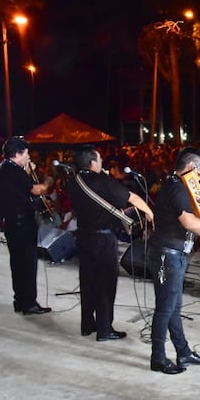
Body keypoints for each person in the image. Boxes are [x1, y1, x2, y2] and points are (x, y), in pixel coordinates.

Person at [147, 147, 200, 375]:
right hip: (168, 254)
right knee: (165, 308)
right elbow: (189, 222)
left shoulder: (179, 187)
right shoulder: (176, 187)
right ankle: (158, 358)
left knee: (173, 307)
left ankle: (183, 351)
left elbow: (195, 217)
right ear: (192, 167)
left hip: (176, 254)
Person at [68, 145, 154, 341]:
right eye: (99, 160)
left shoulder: (74, 181)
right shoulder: (102, 181)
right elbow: (130, 197)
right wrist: (150, 212)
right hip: (102, 239)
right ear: (92, 162)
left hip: (84, 236)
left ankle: (87, 324)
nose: (101, 163)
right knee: (106, 284)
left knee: (88, 281)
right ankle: (105, 329)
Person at [0, 137, 54, 315]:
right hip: (22, 223)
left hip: (10, 223)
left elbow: (18, 187)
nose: (28, 157)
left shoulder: (0, 170)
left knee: (17, 264)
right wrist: (48, 182)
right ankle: (29, 303)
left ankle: (20, 301)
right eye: (26, 153)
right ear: (18, 154)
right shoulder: (14, 170)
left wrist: (26, 170)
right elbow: (35, 190)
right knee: (27, 264)